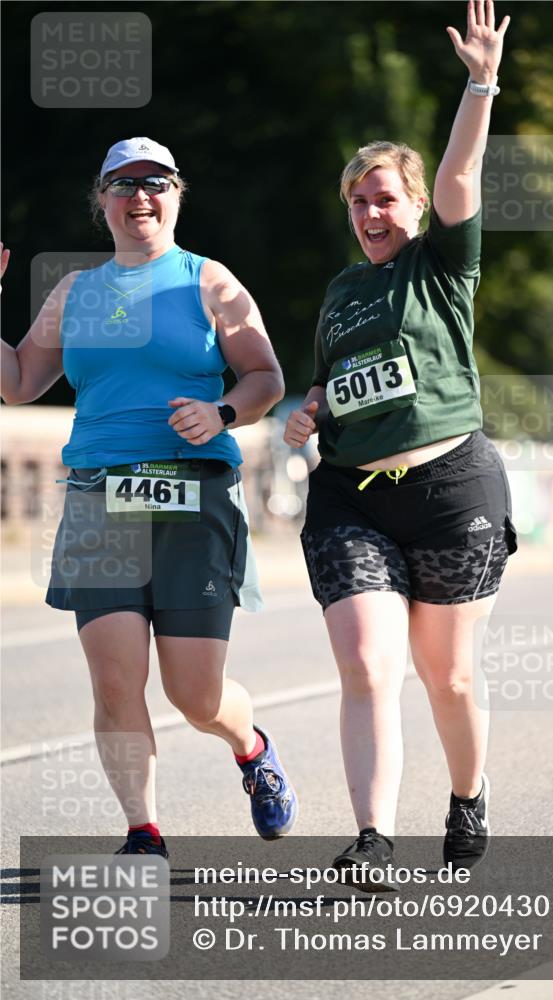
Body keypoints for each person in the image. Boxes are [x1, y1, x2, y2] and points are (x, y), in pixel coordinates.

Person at [1, 136, 297, 856]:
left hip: (192, 498)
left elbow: (266, 378)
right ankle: (144, 830)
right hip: (100, 499)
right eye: (123, 184)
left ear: (175, 195)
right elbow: (16, 384)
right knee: (114, 679)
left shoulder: (208, 281)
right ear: (100, 201)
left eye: (155, 183)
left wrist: (221, 412)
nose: (140, 196)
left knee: (194, 696)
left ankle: (251, 747)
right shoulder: (74, 292)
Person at [284, 1, 514, 888]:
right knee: (367, 661)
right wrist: (309, 413)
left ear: (415, 206)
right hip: (351, 497)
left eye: (383, 198)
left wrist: (480, 81)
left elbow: (462, 167)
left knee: (446, 679)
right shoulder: (341, 291)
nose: (369, 212)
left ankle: (467, 794)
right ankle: (372, 837)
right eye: (356, 201)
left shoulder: (444, 263)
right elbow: (333, 385)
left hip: (452, 488)